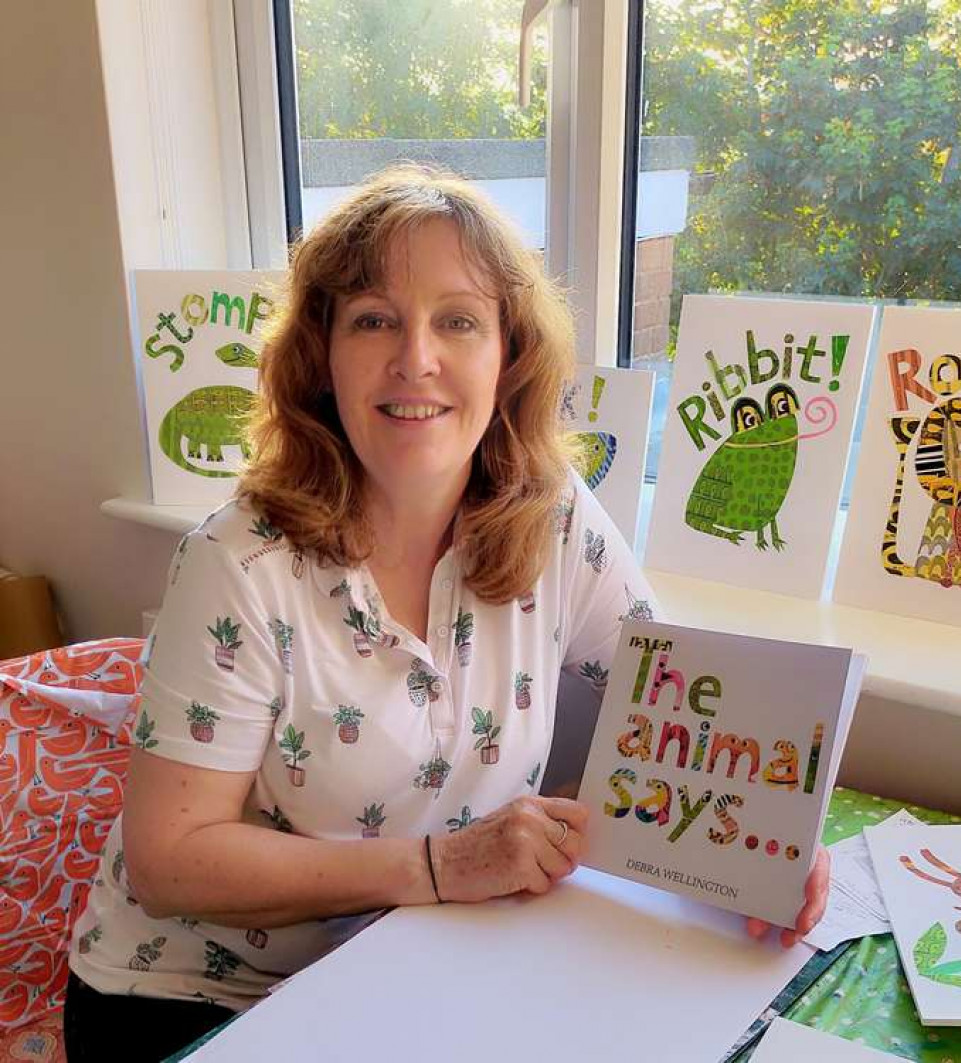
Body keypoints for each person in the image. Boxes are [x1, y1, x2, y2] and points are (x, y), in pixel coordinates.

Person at [64, 165, 829, 1061]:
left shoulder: (552, 513)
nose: (415, 358)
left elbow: (670, 709)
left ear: (509, 356)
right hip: (200, 1001)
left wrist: (757, 836)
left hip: (421, 967)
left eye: (457, 320)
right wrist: (442, 864)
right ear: (322, 357)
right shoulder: (239, 562)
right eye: (373, 319)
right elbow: (169, 861)